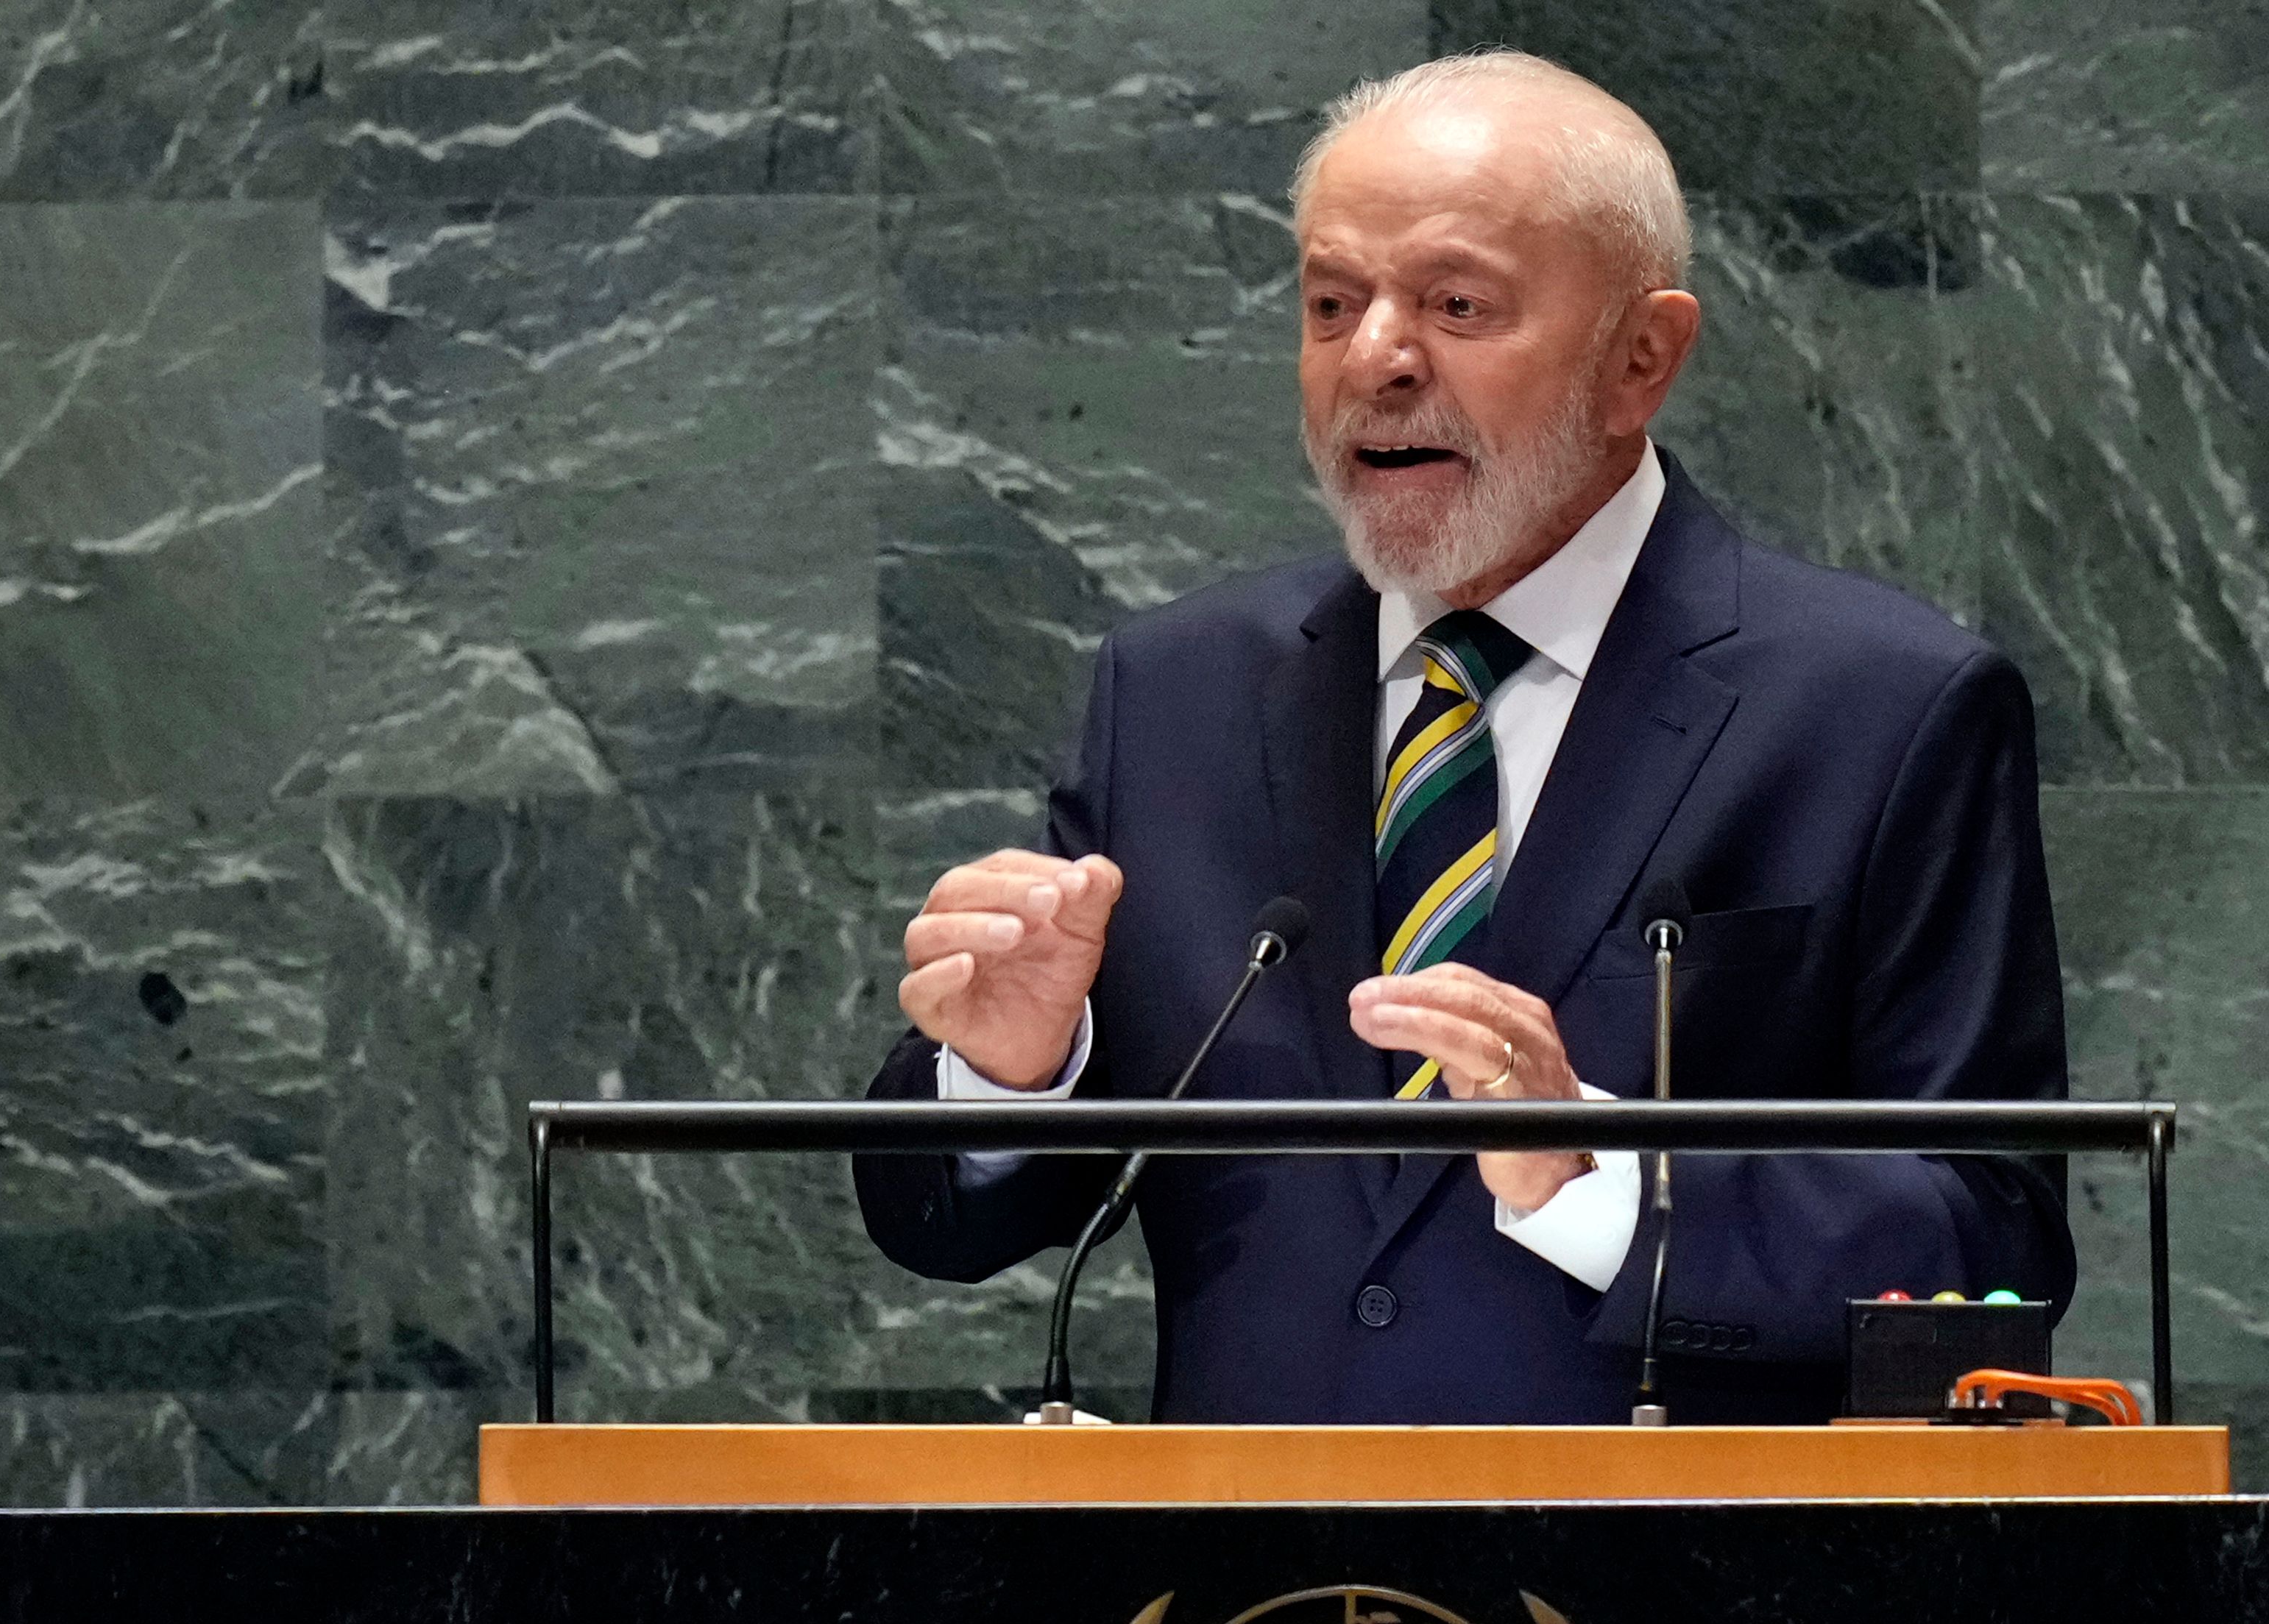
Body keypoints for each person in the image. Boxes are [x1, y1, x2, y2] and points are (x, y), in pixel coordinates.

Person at [854, 51, 2073, 1423]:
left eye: (1456, 303)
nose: (1377, 357)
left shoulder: (1886, 707)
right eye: (1332, 304)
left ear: (1641, 358)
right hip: (1252, 1615)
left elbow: (1994, 1239)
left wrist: (1595, 1174)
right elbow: (945, 1225)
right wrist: (1013, 1074)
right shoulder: (1178, 691)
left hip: (1690, 1598)